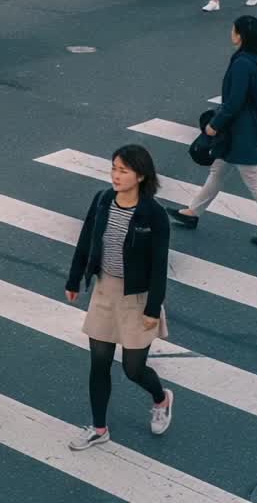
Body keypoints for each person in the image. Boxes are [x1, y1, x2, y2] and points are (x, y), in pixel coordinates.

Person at [64, 145, 174, 452]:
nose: (115, 175)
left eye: (123, 170)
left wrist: (153, 308)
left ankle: (161, 398)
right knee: (98, 363)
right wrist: (74, 279)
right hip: (104, 290)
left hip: (137, 297)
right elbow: (86, 239)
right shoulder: (102, 201)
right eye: (114, 168)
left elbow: (159, 265)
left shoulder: (153, 214)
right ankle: (99, 428)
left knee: (133, 369)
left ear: (140, 175)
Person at [169, 16, 257, 246]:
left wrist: (215, 125)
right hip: (245, 127)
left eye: (233, 30)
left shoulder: (243, 63)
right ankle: (193, 213)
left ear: (241, 35)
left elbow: (234, 101)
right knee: (218, 171)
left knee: (253, 179)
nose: (231, 33)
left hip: (242, 130)